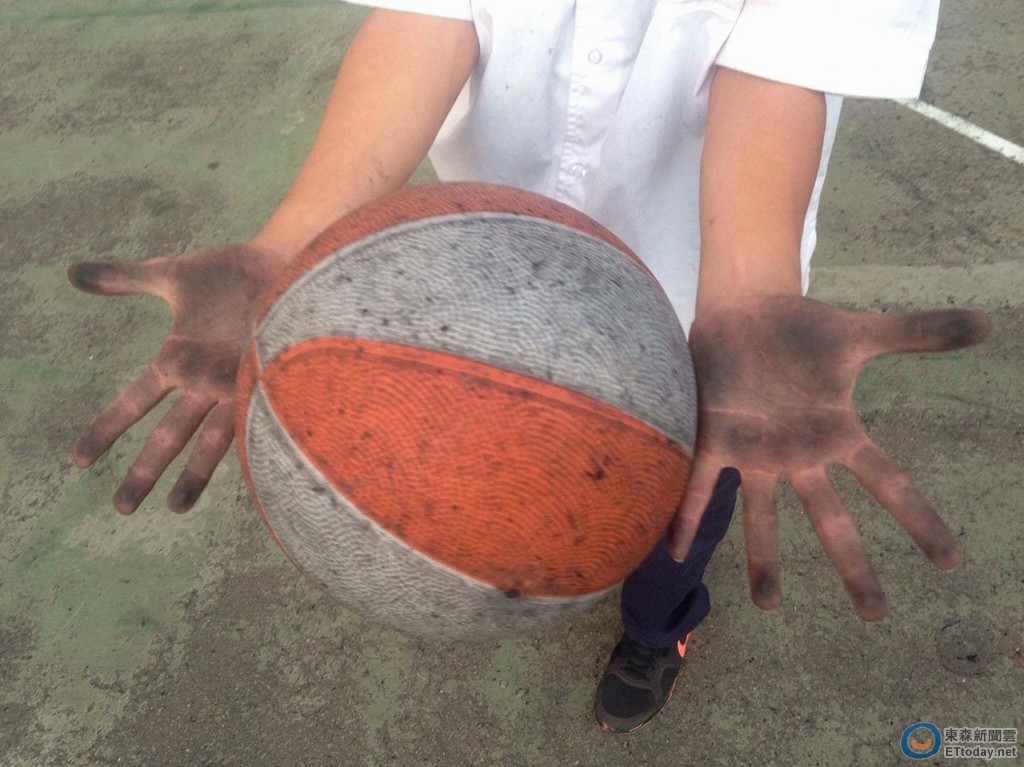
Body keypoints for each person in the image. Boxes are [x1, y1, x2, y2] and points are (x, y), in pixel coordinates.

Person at [68, 2, 990, 734]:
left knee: (697, 489)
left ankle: (656, 629)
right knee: (502, 477)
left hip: (692, 283)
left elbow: (783, 57)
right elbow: (432, 17)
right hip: (486, 268)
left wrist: (746, 291)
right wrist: (292, 245)